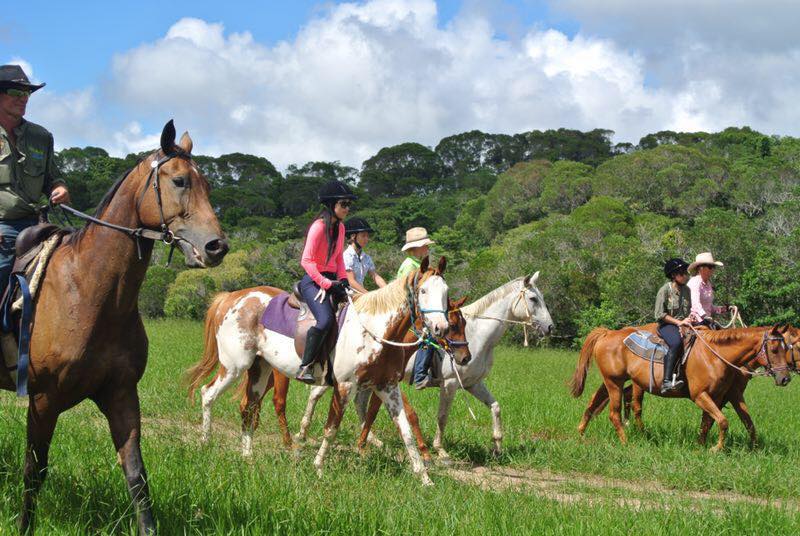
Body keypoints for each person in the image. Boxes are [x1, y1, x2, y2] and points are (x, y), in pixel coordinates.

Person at [0, 65, 70, 298]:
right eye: (16, 92)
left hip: (37, 224)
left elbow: (53, 178)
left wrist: (59, 188)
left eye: (26, 94)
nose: (23, 99)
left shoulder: (41, 137)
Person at [295, 180, 355, 384]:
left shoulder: (341, 228)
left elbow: (338, 258)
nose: (347, 208)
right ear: (332, 205)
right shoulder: (318, 227)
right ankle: (305, 367)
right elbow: (306, 260)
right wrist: (326, 283)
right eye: (344, 204)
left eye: (349, 205)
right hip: (313, 281)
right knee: (325, 320)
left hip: (333, 279)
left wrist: (344, 280)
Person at [396, 227, 437, 389]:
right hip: (407, 312)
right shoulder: (410, 265)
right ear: (416, 248)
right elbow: (405, 292)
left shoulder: (419, 264)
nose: (427, 248)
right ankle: (420, 374)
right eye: (425, 245)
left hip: (415, 310)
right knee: (428, 337)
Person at [654, 258, 697, 394]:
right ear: (673, 275)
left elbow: (688, 309)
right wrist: (679, 322)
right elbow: (659, 314)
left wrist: (690, 317)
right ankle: (666, 381)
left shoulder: (687, 290)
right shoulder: (664, 291)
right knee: (676, 343)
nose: (685, 276)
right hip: (666, 325)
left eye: (686, 273)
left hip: (684, 323)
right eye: (682, 273)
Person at [343, 217, 386, 294]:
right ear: (353, 236)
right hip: (348, 296)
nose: (366, 239)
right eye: (363, 236)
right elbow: (351, 282)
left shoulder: (366, 257)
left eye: (367, 236)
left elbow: (375, 277)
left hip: (361, 295)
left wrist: (388, 289)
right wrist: (368, 295)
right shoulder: (346, 256)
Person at [687, 252, 729, 329]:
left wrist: (723, 309)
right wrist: (705, 316)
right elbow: (695, 304)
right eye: (710, 267)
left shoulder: (708, 284)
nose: (712, 269)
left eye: (713, 267)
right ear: (701, 268)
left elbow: (709, 307)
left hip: (706, 321)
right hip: (696, 321)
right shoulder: (695, 282)